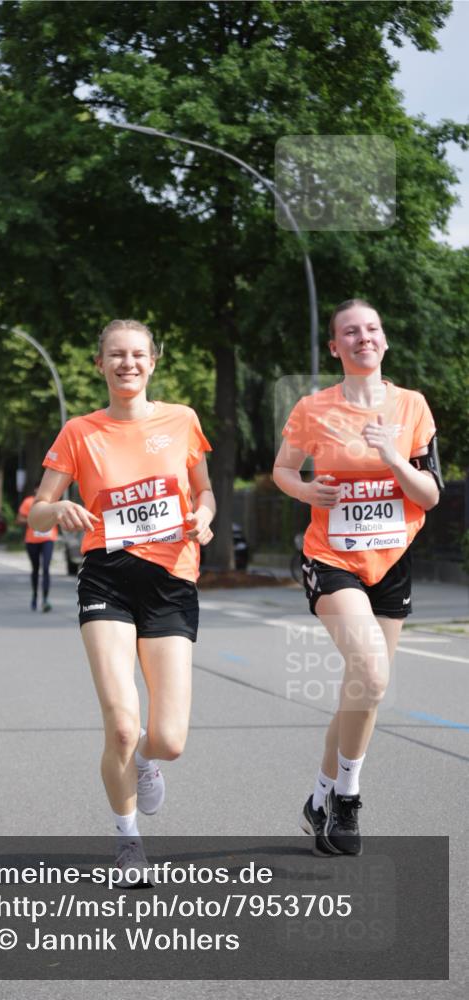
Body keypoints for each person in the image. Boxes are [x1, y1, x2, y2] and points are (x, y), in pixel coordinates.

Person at [28, 319, 215, 882]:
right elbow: (39, 510)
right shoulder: (79, 432)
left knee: (168, 740)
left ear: (152, 362)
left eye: (137, 354)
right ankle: (127, 839)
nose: (127, 363)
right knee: (122, 726)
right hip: (106, 579)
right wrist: (59, 508)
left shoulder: (181, 420)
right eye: (116, 355)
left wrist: (204, 517)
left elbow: (203, 489)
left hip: (171, 580)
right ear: (99, 364)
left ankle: (146, 764)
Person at [273, 299, 442, 856]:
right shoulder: (313, 409)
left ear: (384, 340)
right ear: (334, 347)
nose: (363, 337)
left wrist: (394, 456)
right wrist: (305, 489)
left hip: (392, 561)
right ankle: (347, 798)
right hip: (333, 558)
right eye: (350, 331)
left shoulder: (412, 406)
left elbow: (429, 494)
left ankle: (318, 799)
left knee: (364, 688)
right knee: (369, 671)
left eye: (372, 328)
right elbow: (282, 469)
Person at [17, 486, 58, 611]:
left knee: (46, 568)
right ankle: (35, 595)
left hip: (48, 539)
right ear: (35, 490)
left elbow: (59, 516)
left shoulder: (53, 501)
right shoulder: (29, 502)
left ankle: (45, 599)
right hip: (32, 540)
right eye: (38, 488)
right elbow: (19, 519)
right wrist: (34, 520)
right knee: (35, 568)